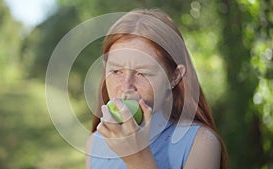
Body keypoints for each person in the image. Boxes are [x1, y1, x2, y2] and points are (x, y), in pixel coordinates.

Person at [85, 9, 229, 169]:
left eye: (142, 73)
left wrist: (138, 159)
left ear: (174, 76)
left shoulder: (201, 143)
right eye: (116, 71)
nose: (126, 87)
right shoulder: (94, 144)